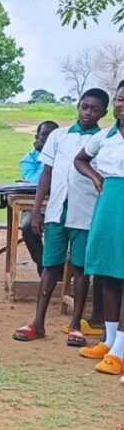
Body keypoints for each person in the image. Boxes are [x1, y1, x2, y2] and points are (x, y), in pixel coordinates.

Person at [12, 91, 108, 345]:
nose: (88, 113)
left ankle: (75, 325)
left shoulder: (103, 140)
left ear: (103, 113)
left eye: (95, 109)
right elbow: (47, 173)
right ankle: (37, 323)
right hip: (56, 212)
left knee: (81, 269)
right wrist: (36, 211)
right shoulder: (59, 136)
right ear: (78, 106)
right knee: (50, 266)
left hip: (85, 213)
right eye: (85, 107)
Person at [74, 82, 124, 406]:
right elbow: (80, 160)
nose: (122, 105)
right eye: (120, 99)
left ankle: (120, 351)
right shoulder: (105, 136)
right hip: (108, 205)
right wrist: (95, 177)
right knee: (107, 273)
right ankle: (109, 339)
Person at [19, 120, 59, 270]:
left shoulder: (65, 156)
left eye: (53, 136)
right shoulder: (28, 159)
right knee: (28, 225)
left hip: (59, 204)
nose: (49, 139)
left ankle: (63, 269)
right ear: (37, 137)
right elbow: (37, 182)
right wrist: (46, 157)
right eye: (45, 135)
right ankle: (44, 268)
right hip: (33, 205)